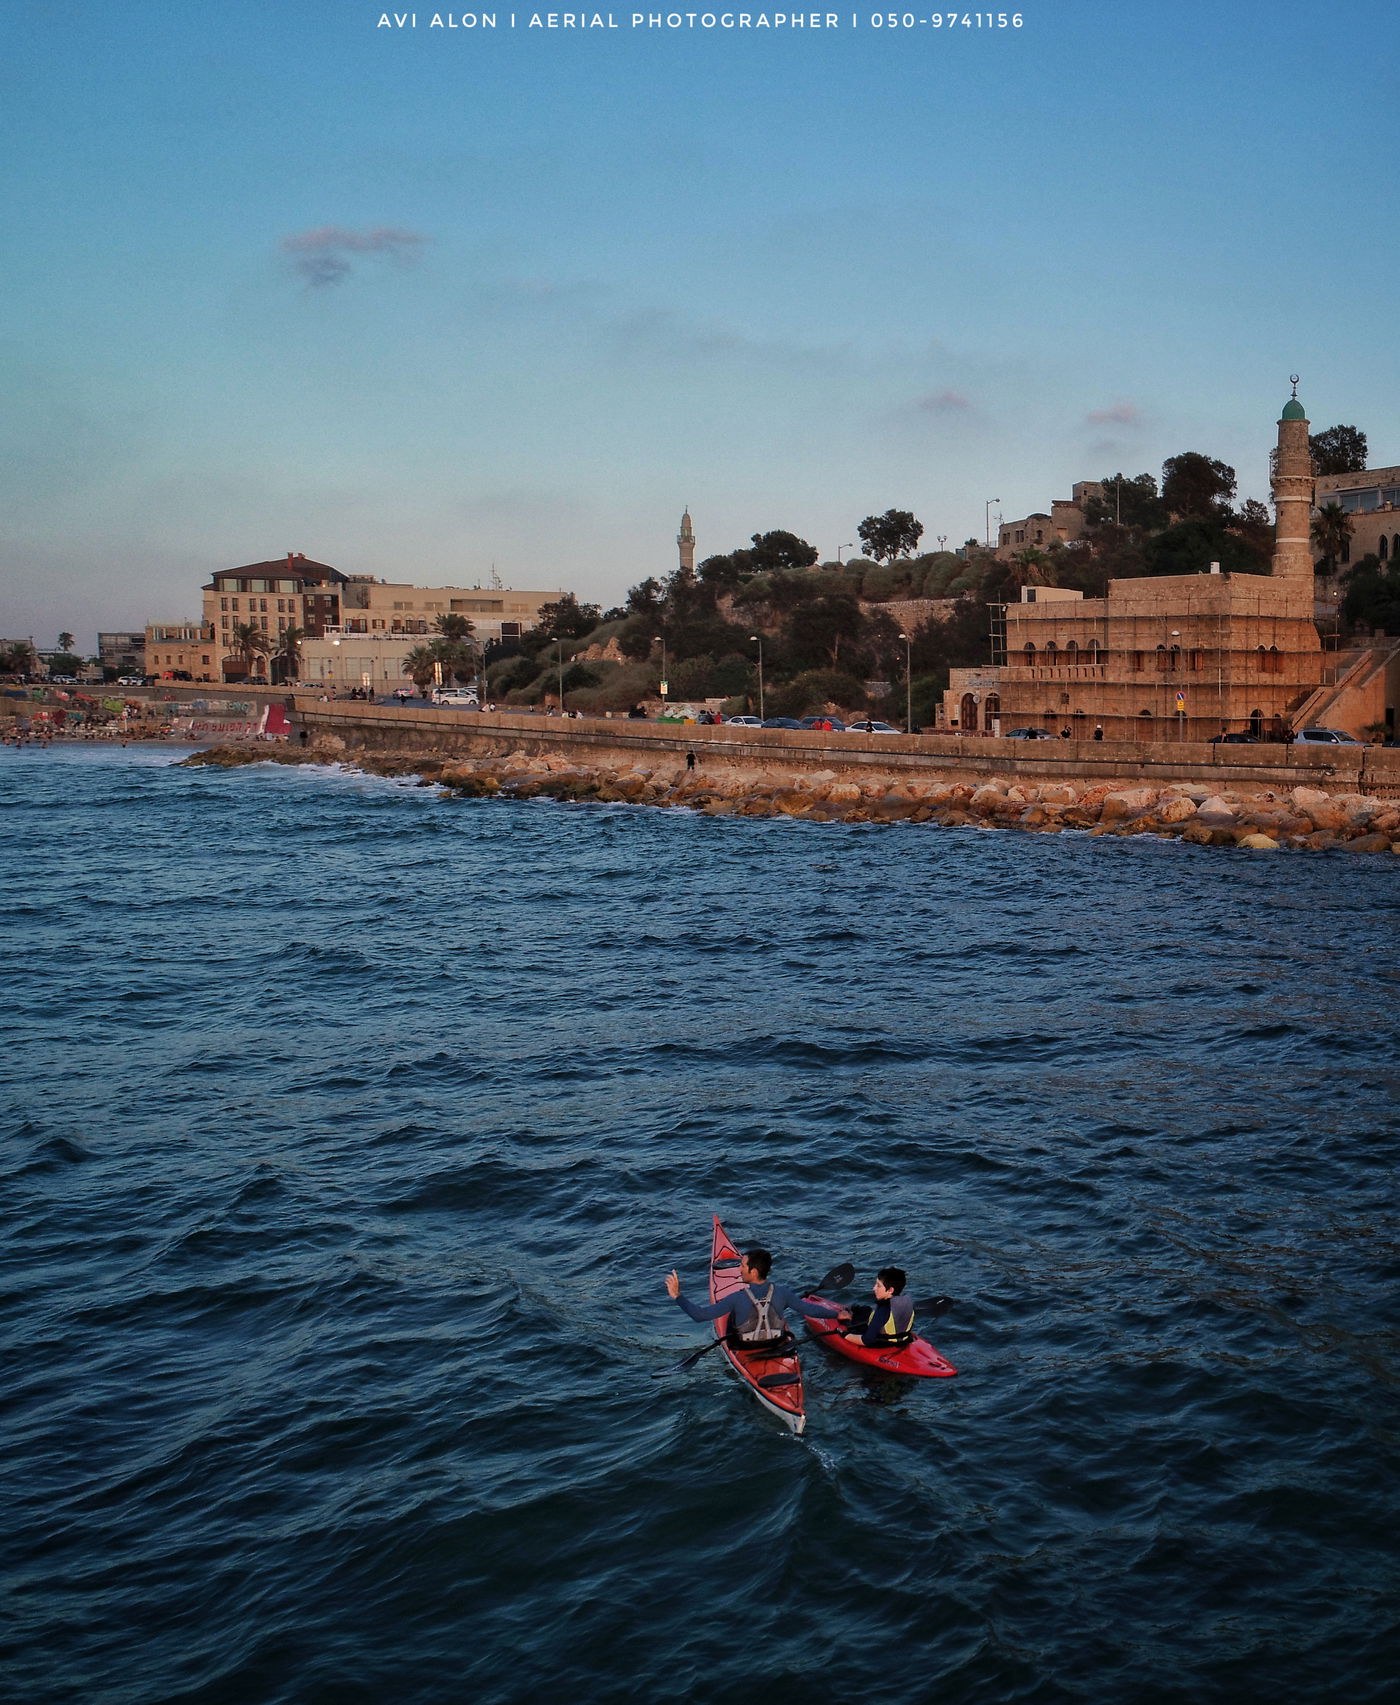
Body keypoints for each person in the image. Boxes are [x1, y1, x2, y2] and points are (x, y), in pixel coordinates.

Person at [665, 1249, 845, 1348]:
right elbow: (810, 1309)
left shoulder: (736, 1297)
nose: (739, 1269)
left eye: (742, 1265)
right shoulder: (783, 1293)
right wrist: (837, 1316)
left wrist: (678, 1296)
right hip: (776, 1342)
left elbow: (700, 1315)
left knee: (730, 1316)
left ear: (754, 1271)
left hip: (745, 1346)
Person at [844, 1267, 915, 1348]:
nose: (874, 1288)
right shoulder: (905, 1301)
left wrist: (844, 1335)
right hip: (903, 1341)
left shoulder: (884, 1309)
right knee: (865, 1311)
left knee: (847, 1321)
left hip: (883, 1344)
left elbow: (866, 1340)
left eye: (878, 1285)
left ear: (890, 1290)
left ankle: (846, 1316)